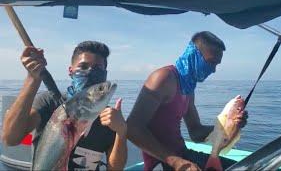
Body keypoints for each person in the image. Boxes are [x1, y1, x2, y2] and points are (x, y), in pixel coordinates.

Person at [127, 31, 248, 171]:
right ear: (194, 54)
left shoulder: (188, 87)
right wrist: (175, 162)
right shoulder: (163, 78)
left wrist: (228, 126)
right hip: (161, 162)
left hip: (182, 155)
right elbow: (132, 128)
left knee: (245, 167)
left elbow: (196, 133)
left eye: (217, 64)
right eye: (211, 62)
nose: (214, 70)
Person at [2, 41, 127, 170]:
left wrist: (121, 132)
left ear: (105, 73)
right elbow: (10, 139)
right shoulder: (50, 102)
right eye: (83, 66)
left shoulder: (111, 119)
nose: (90, 71)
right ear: (70, 71)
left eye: (97, 68)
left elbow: (115, 169)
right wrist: (32, 79)